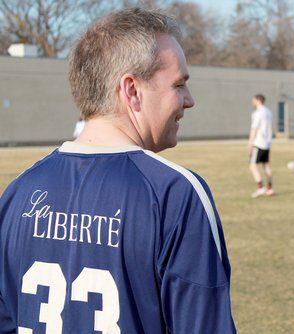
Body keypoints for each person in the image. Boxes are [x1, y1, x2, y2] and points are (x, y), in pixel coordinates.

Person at [0, 8, 236, 333]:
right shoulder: (175, 194)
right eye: (178, 85)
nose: (189, 100)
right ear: (132, 90)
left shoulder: (18, 193)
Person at [248, 94, 274, 198]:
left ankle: (260, 188)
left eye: (253, 100)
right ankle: (270, 188)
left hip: (259, 143)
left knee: (252, 166)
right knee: (266, 165)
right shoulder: (268, 112)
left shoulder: (257, 113)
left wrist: (250, 142)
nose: (252, 101)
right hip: (267, 143)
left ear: (258, 100)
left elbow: (254, 128)